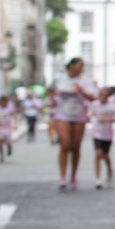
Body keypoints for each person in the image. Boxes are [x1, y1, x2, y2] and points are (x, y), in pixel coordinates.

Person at [49, 59, 99, 190]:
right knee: (65, 144)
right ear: (71, 66)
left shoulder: (85, 81)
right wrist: (53, 101)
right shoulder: (60, 79)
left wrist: (81, 91)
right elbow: (52, 94)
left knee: (75, 147)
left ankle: (73, 176)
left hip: (79, 115)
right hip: (62, 114)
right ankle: (63, 177)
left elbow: (93, 97)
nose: (81, 68)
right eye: (79, 65)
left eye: (83, 66)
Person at [90, 86, 115, 189]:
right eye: (101, 95)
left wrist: (109, 120)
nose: (102, 97)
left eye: (105, 96)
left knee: (106, 155)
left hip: (107, 134)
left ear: (108, 97)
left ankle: (109, 168)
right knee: (98, 154)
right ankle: (98, 178)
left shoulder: (112, 106)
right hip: (97, 133)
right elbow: (90, 114)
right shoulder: (95, 104)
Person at [0, 94, 17, 162]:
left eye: (6, 102)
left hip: (7, 126)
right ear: (0, 102)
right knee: (0, 141)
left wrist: (16, 123)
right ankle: (1, 156)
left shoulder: (10, 108)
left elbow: (14, 115)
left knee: (8, 140)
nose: (5, 103)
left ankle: (9, 147)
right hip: (0, 126)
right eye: (3, 102)